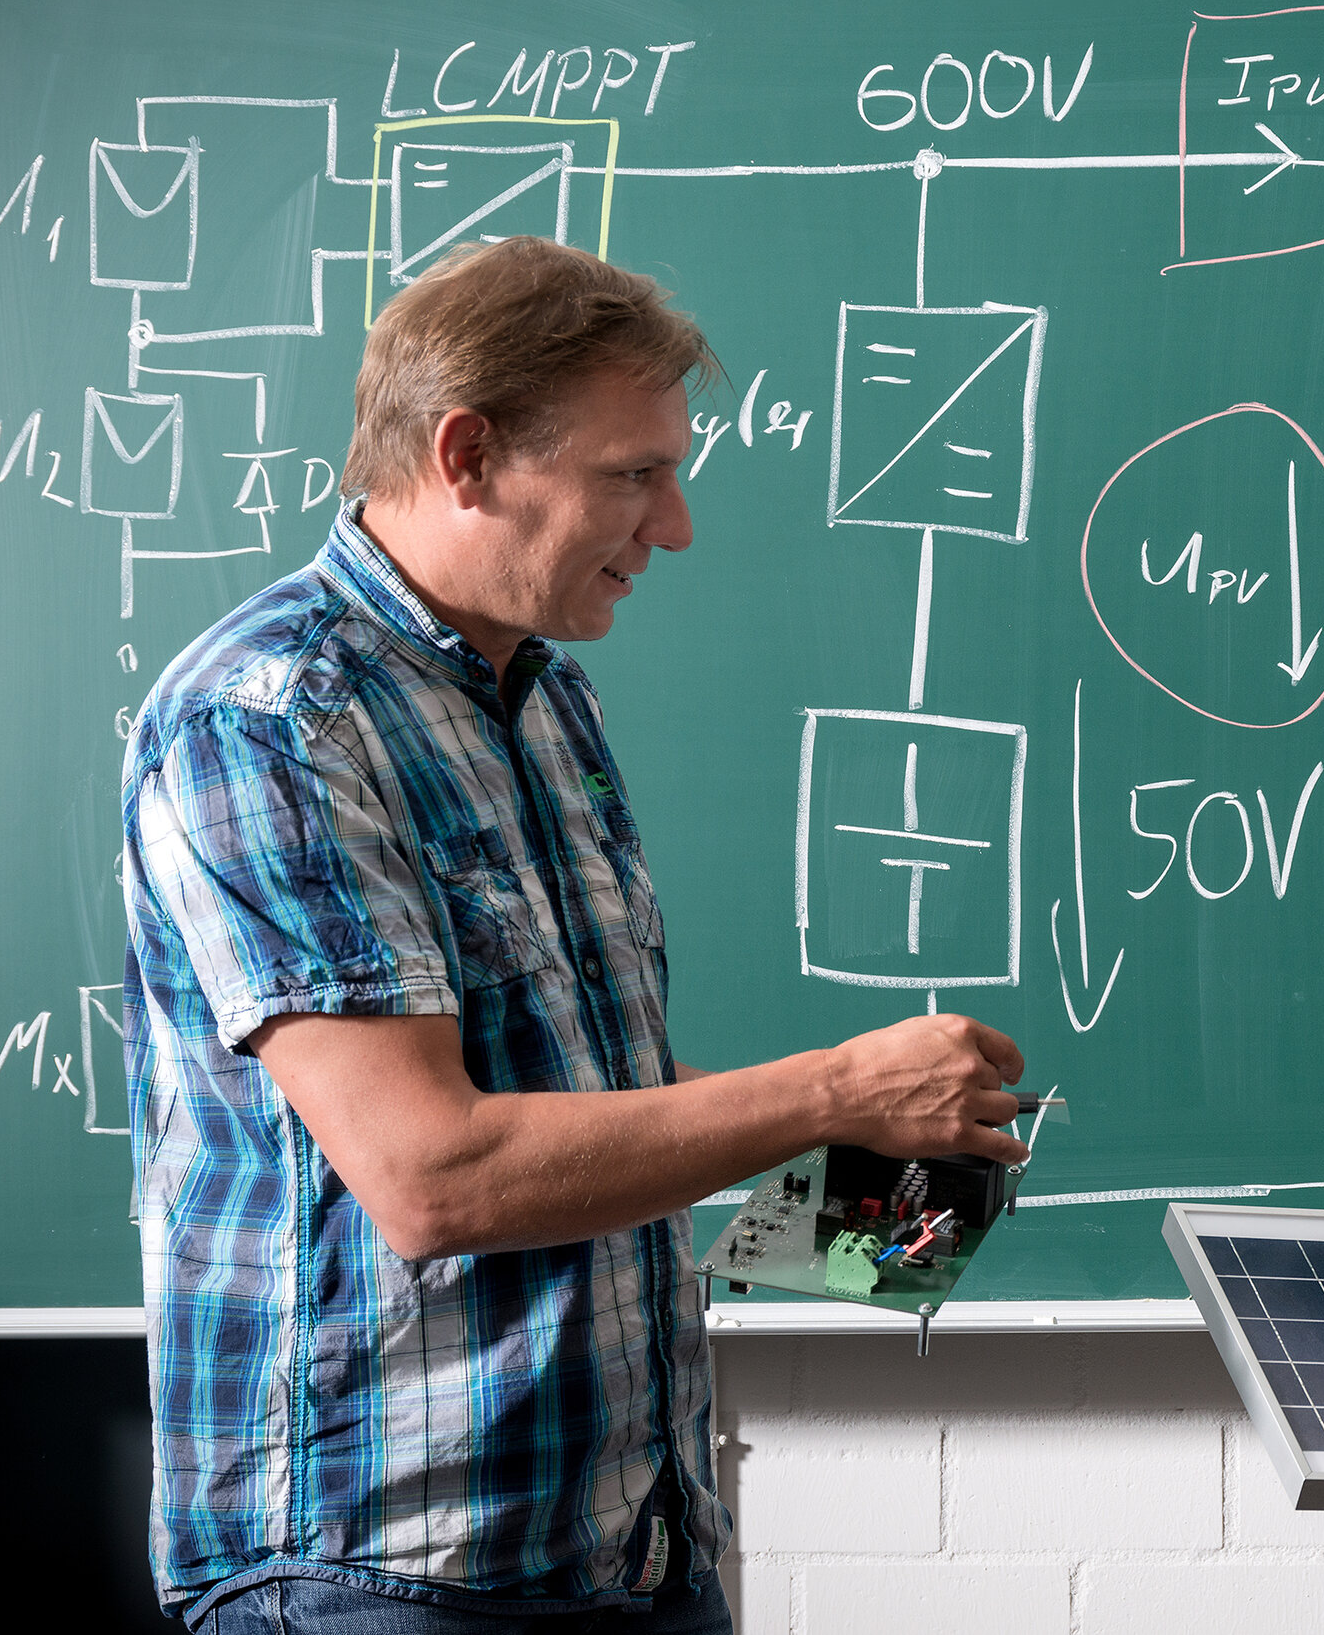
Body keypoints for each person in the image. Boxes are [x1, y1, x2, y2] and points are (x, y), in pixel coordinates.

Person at [121, 236, 1030, 1632]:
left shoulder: (550, 703)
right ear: (469, 454)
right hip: (386, 1570)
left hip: (638, 1543)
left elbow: (592, 1128)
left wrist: (868, 1192)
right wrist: (836, 1090)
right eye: (633, 473)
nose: (674, 527)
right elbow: (434, 1180)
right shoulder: (272, 720)